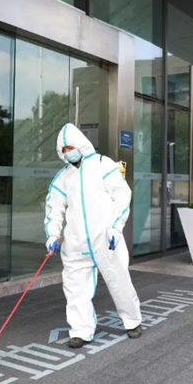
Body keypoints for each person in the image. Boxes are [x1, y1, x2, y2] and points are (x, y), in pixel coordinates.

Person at [44, 123, 142, 348]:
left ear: (81, 144)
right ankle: (81, 330)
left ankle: (132, 320)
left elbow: (122, 195)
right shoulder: (63, 177)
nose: (68, 152)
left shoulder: (102, 164)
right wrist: (52, 234)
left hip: (106, 239)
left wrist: (115, 227)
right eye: (64, 149)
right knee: (75, 288)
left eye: (71, 147)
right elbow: (54, 208)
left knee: (119, 281)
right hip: (75, 242)